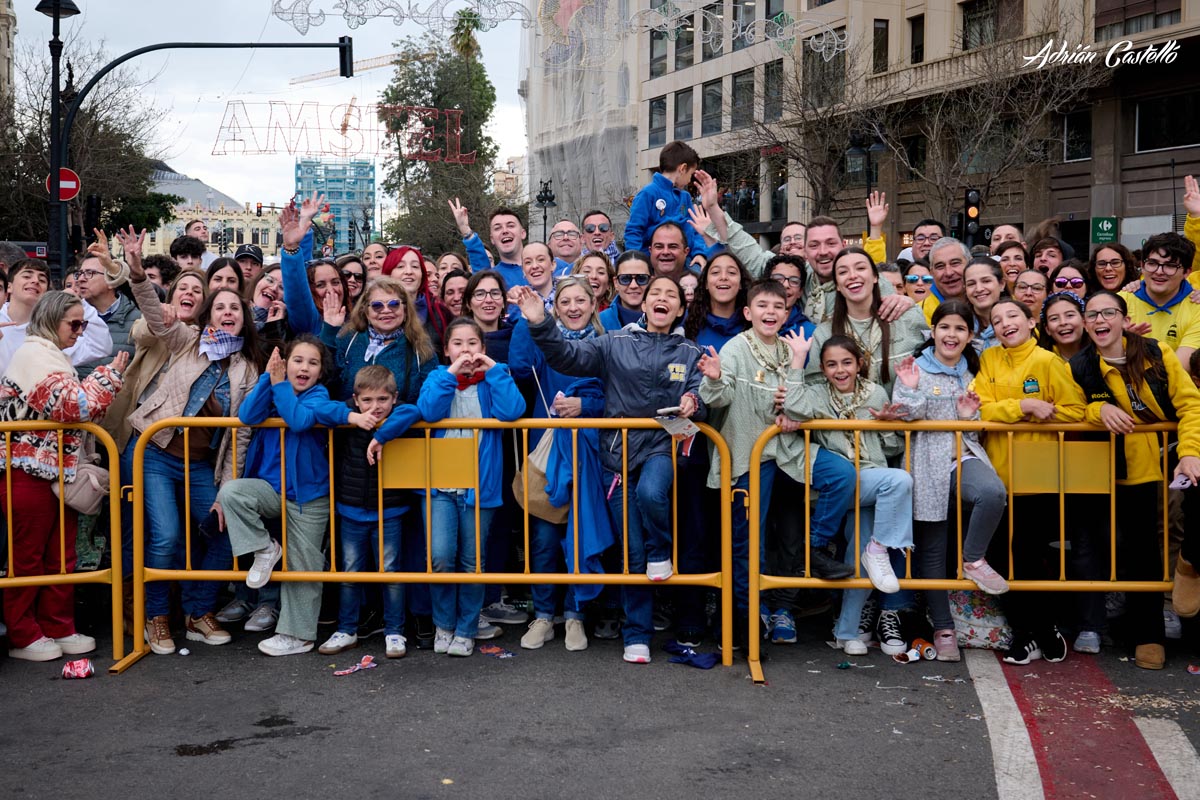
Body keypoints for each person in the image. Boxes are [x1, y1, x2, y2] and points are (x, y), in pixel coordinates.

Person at [516, 276, 705, 664]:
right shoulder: (614, 341)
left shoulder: (691, 351)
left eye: (671, 295)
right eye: (656, 294)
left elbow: (704, 393)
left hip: (661, 449)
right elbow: (568, 357)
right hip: (616, 458)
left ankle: (661, 551)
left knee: (652, 494)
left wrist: (694, 400)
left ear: (681, 308)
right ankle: (636, 634)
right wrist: (540, 323)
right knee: (631, 554)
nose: (662, 299)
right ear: (642, 304)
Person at [697, 280, 854, 643]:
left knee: (842, 474)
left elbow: (809, 401)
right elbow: (718, 398)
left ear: (787, 312)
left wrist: (796, 400)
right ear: (748, 313)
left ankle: (816, 548)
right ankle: (741, 624)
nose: (771, 312)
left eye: (778, 307)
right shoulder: (736, 348)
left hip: (789, 450)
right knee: (748, 542)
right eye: (763, 306)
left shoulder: (793, 349)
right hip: (749, 454)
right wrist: (716, 378)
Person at [124, 259, 262, 655]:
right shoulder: (188, 339)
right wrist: (136, 274)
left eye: (235, 307)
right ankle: (157, 617)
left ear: (244, 317)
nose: (227, 312)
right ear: (209, 313)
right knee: (165, 536)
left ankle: (198, 613)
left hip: (202, 464)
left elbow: (242, 433)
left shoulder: (247, 368)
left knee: (223, 528)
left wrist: (227, 489)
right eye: (219, 306)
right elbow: (154, 314)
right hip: (155, 451)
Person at [369, 318, 524, 657]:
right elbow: (429, 410)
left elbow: (513, 411)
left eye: (473, 343)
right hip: (439, 484)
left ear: (483, 348)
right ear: (446, 349)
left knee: (473, 561)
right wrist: (450, 372)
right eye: (458, 343)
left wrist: (493, 370)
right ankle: (444, 625)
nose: (466, 349)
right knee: (440, 556)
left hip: (479, 486)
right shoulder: (438, 379)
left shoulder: (497, 378)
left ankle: (466, 629)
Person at [217, 337, 380, 656]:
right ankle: (265, 549)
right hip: (269, 489)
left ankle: (297, 635)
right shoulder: (274, 387)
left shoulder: (318, 396)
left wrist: (279, 386)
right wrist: (268, 377)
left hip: (309, 494)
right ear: (285, 364)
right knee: (232, 492)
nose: (304, 367)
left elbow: (300, 420)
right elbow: (248, 415)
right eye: (297, 360)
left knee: (304, 564)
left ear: (321, 373)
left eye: (313, 363)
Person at [1071, 290, 1200, 669]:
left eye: (1108, 312)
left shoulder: (1157, 352)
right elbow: (1073, 407)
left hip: (1179, 453)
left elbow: (1191, 404)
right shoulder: (1080, 366)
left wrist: (1191, 452)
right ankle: (1148, 636)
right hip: (1132, 467)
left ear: (1125, 320)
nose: (1099, 320)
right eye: (1091, 314)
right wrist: (1099, 409)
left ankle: (1190, 564)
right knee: (1140, 548)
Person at [0, 291, 129, 661]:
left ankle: (57, 625)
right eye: (74, 324)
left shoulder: (48, 355)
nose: (79, 331)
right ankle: (24, 633)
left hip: (54, 470)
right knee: (28, 557)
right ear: (51, 320)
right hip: (26, 472)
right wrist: (109, 377)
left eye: (83, 324)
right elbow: (73, 406)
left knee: (60, 555)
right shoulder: (33, 354)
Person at [892, 300, 1009, 663]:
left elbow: (980, 418)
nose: (951, 335)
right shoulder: (915, 368)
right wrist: (911, 389)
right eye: (945, 327)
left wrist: (967, 417)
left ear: (970, 335)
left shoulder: (976, 368)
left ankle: (973, 559)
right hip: (925, 461)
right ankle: (943, 629)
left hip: (963, 455)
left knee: (992, 493)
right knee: (933, 548)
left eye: (960, 328)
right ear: (933, 332)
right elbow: (903, 416)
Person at [783, 335, 914, 655]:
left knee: (859, 556)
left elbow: (892, 447)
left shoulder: (875, 392)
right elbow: (793, 406)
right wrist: (799, 361)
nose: (839, 370)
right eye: (831, 364)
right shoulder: (816, 393)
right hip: (845, 482)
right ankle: (880, 548)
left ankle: (846, 631)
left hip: (873, 477)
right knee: (899, 481)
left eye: (846, 362)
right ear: (823, 369)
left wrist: (889, 426)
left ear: (859, 364)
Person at [975, 297, 1086, 665]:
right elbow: (978, 406)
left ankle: (1037, 630)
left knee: (1026, 553)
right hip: (996, 472)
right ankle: (1029, 630)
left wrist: (1043, 414)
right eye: (996, 319)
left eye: (1012, 316)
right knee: (996, 557)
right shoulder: (989, 359)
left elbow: (1075, 411)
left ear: (1030, 320)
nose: (1005, 323)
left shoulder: (1048, 361)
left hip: (1037, 472)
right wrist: (1023, 407)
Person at [508, 276, 607, 652]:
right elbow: (519, 367)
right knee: (545, 540)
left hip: (590, 454)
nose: (573, 307)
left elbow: (617, 399)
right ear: (555, 306)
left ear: (593, 304)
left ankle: (576, 615)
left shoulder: (606, 344)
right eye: (564, 301)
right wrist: (527, 316)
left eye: (581, 300)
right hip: (547, 455)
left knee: (580, 537)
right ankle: (545, 615)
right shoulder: (542, 340)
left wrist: (587, 407)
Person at [320, 365, 423, 659]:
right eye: (366, 401)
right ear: (355, 399)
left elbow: (413, 411)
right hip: (351, 508)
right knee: (350, 573)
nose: (374, 407)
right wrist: (352, 417)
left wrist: (383, 434)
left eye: (382, 400)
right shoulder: (347, 413)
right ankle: (347, 629)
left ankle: (394, 631)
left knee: (390, 572)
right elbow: (321, 411)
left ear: (394, 398)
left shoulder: (400, 413)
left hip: (390, 509)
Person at [806, 248, 929, 396]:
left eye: (861, 268)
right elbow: (816, 388)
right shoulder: (824, 334)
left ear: (876, 277)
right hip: (849, 418)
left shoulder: (908, 317)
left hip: (906, 415)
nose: (852, 276)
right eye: (843, 272)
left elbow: (932, 368)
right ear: (837, 285)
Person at [0, 259, 114, 378]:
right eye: (27, 276)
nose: (35, 281)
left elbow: (100, 347)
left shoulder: (51, 330)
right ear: (9, 287)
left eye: (42, 280)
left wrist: (79, 303)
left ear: (46, 292)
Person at [1121, 233, 1200, 367]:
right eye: (1152, 263)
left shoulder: (1197, 307)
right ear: (1142, 265)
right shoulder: (1119, 302)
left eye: (1170, 265)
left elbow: (1179, 370)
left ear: (1186, 272)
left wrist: (1128, 349)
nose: (1159, 271)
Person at [624, 140, 711, 259]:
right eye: (690, 174)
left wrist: (699, 253)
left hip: (684, 259)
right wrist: (638, 262)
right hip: (654, 261)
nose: (689, 181)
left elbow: (695, 230)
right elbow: (634, 230)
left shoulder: (685, 197)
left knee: (700, 271)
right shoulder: (647, 194)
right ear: (683, 168)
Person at [76, 233, 143, 371]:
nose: (81, 279)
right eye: (80, 273)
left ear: (112, 281)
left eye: (90, 273)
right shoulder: (71, 318)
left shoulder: (138, 320)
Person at [381, 245, 455, 356]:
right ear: (388, 274)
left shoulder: (441, 313)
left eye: (415, 266)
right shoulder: (376, 311)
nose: (409, 271)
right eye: (400, 266)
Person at [454, 199, 527, 291]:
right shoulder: (491, 277)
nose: (505, 231)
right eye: (497, 228)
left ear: (523, 233)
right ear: (492, 239)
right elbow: (479, 261)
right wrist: (465, 229)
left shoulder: (544, 268)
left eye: (510, 226)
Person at [684, 252, 752, 348]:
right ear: (706, 283)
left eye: (731, 273)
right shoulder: (687, 320)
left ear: (741, 283)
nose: (723, 277)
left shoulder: (754, 324)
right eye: (715, 272)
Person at [463, 270, 513, 364]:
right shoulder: (460, 341)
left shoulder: (516, 339)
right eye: (480, 294)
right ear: (468, 303)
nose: (489, 300)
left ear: (503, 301)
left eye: (495, 293)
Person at [598, 251, 653, 331]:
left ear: (651, 282)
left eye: (641, 278)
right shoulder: (600, 322)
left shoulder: (664, 318)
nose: (633, 285)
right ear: (616, 283)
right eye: (625, 279)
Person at [962, 257, 1007, 351]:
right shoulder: (959, 325)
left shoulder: (1017, 324)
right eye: (971, 284)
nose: (979, 289)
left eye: (986, 281)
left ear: (1002, 284)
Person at [1039, 292, 1088, 361]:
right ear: (1047, 329)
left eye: (1070, 315)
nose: (1063, 322)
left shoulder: (1100, 356)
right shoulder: (1040, 360)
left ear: (1084, 321)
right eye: (1054, 318)